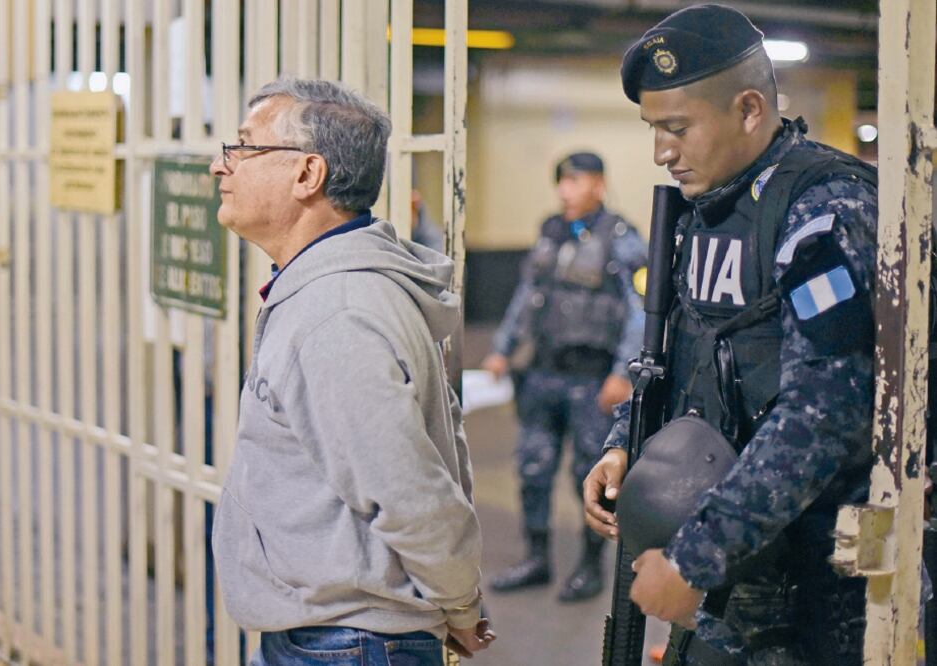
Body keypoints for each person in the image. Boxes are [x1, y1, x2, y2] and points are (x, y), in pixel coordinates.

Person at [583, 5, 878, 664]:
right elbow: (688, 353)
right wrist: (624, 441)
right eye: (653, 129)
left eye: (677, 128)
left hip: (817, 597)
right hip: (736, 582)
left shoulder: (824, 217)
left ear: (749, 109)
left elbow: (825, 412)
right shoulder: (707, 213)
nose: (661, 151)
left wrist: (692, 560)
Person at [209, 78, 494, 666]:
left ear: (307, 174)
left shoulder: (336, 315)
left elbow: (412, 491)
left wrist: (460, 606)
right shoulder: (332, 289)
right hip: (339, 635)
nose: (221, 166)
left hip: (349, 643)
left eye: (243, 147)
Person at [482, 151, 647, 602]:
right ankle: (537, 558)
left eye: (574, 181)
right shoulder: (551, 231)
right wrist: (502, 347)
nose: (564, 191)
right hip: (542, 374)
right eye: (562, 182)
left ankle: (591, 567)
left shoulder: (622, 238)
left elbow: (639, 311)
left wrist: (623, 373)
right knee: (533, 469)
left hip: (592, 380)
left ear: (598, 184)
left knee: (588, 474)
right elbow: (528, 294)